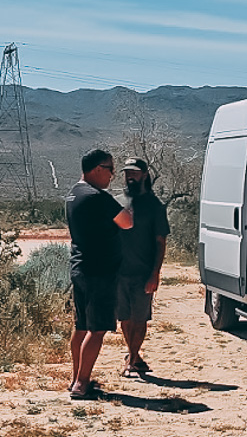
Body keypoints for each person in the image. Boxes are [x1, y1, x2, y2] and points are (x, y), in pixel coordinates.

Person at [65, 148, 132, 399]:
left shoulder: (73, 193)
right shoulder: (97, 197)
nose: (113, 175)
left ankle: (76, 378)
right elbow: (127, 221)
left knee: (81, 326)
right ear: (96, 169)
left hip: (80, 268)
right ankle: (82, 384)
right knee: (97, 329)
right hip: (99, 271)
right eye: (110, 169)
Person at [115, 157, 170, 377]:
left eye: (135, 172)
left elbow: (160, 242)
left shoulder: (154, 206)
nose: (130, 176)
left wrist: (155, 273)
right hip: (118, 272)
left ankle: (132, 359)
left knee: (140, 318)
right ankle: (134, 356)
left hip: (143, 272)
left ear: (145, 175)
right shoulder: (117, 201)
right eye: (127, 172)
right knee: (124, 318)